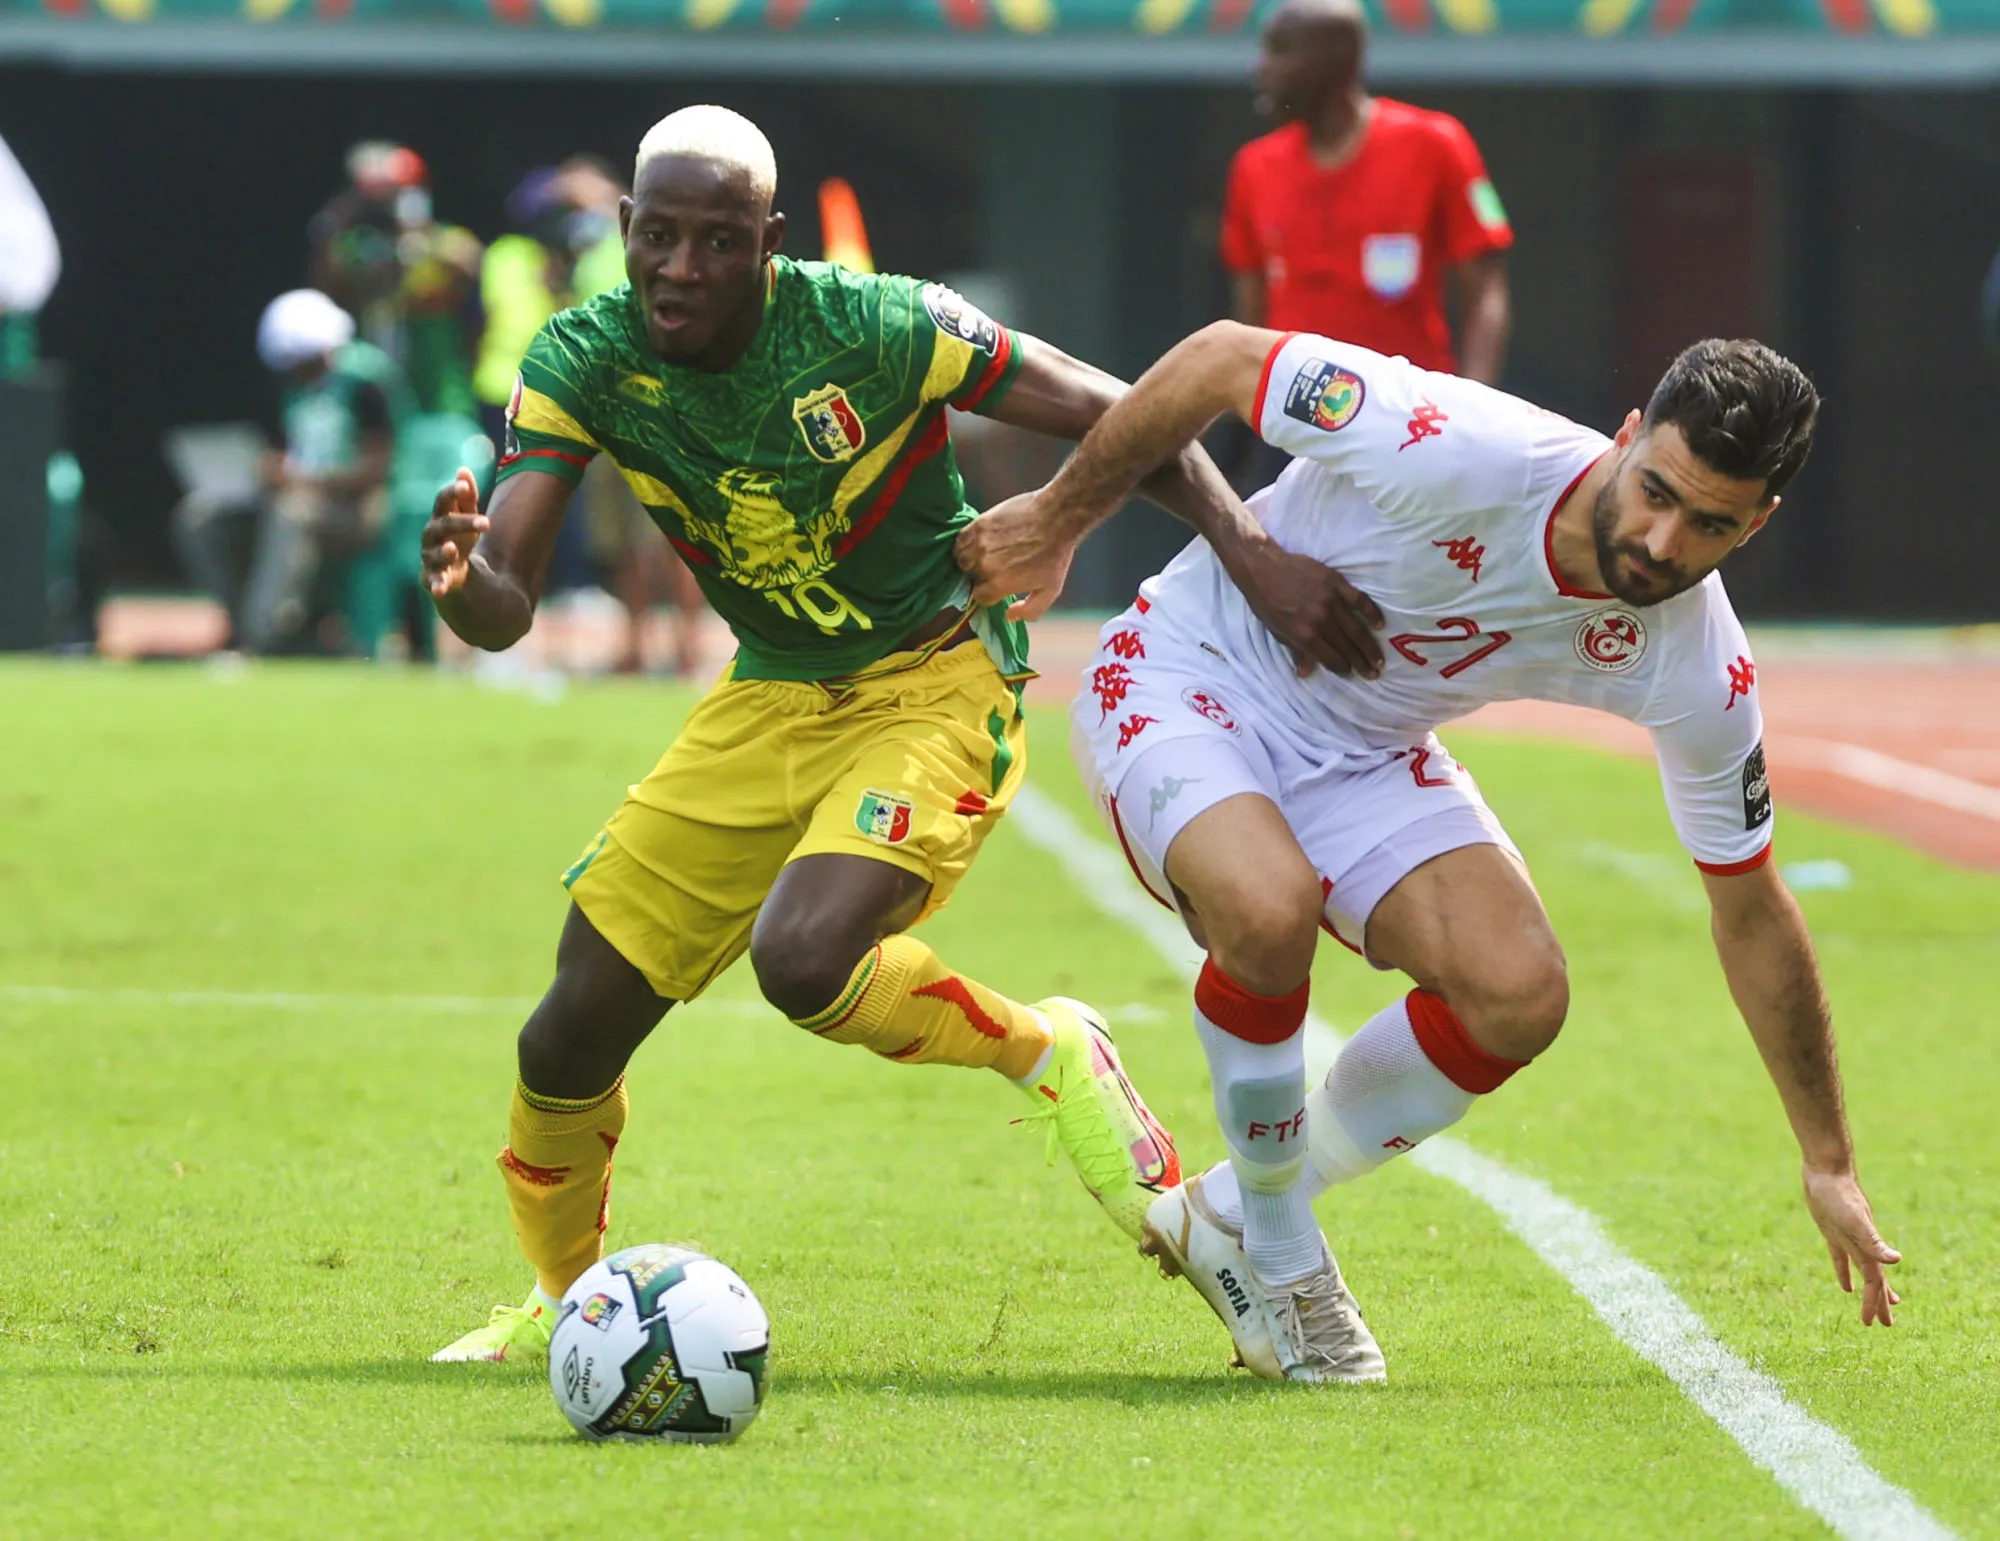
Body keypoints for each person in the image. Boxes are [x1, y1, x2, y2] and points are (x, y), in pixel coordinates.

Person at [421, 106, 1382, 1365]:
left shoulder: (878, 325)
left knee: (803, 955)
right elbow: (508, 597)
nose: (681, 269)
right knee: (565, 1034)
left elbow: (1131, 413)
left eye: (718, 242)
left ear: (767, 241)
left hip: (933, 682)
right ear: (626, 231)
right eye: (659, 237)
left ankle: (1046, 1047)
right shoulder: (582, 357)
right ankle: (571, 1300)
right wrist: (464, 586)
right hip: (763, 696)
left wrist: (1248, 560)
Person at [957, 323, 1903, 1383]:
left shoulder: (1694, 660)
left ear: (1757, 522)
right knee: (1268, 910)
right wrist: (1055, 517)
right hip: (1190, 672)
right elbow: (1221, 357)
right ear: (1628, 434)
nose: (1663, 541)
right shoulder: (1456, 442)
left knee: (1517, 992)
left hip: (1363, 749)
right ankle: (1275, 1247)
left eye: (1710, 523)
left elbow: (1748, 903)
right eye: (1655, 491)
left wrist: (1826, 1156)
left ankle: (1226, 1208)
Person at [1220, 0, 1511, 490]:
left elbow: (1486, 291)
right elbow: (1251, 314)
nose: (1261, 67)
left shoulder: (1436, 144)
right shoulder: (1253, 167)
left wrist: (1471, 408)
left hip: (1408, 427)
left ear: (1339, 55)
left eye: (1280, 50)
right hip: (1292, 427)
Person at [174, 289, 410, 654]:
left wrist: (307, 480)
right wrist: (268, 469)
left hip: (359, 511)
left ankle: (258, 640)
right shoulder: (291, 388)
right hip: (291, 499)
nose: (293, 372)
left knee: (292, 513)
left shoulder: (367, 381)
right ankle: (245, 625)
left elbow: (379, 467)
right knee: (199, 518)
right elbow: (285, 450)